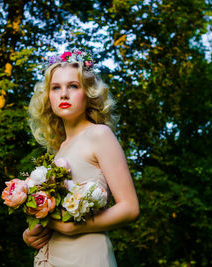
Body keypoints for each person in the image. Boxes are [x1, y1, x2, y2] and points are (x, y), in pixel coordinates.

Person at [23, 49, 139, 267]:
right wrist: (31, 233)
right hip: (53, 257)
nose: (63, 94)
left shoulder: (99, 134)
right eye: (56, 87)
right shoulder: (59, 149)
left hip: (87, 256)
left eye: (73, 86)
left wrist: (72, 227)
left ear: (88, 93)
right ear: (48, 97)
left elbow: (130, 208)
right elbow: (57, 213)